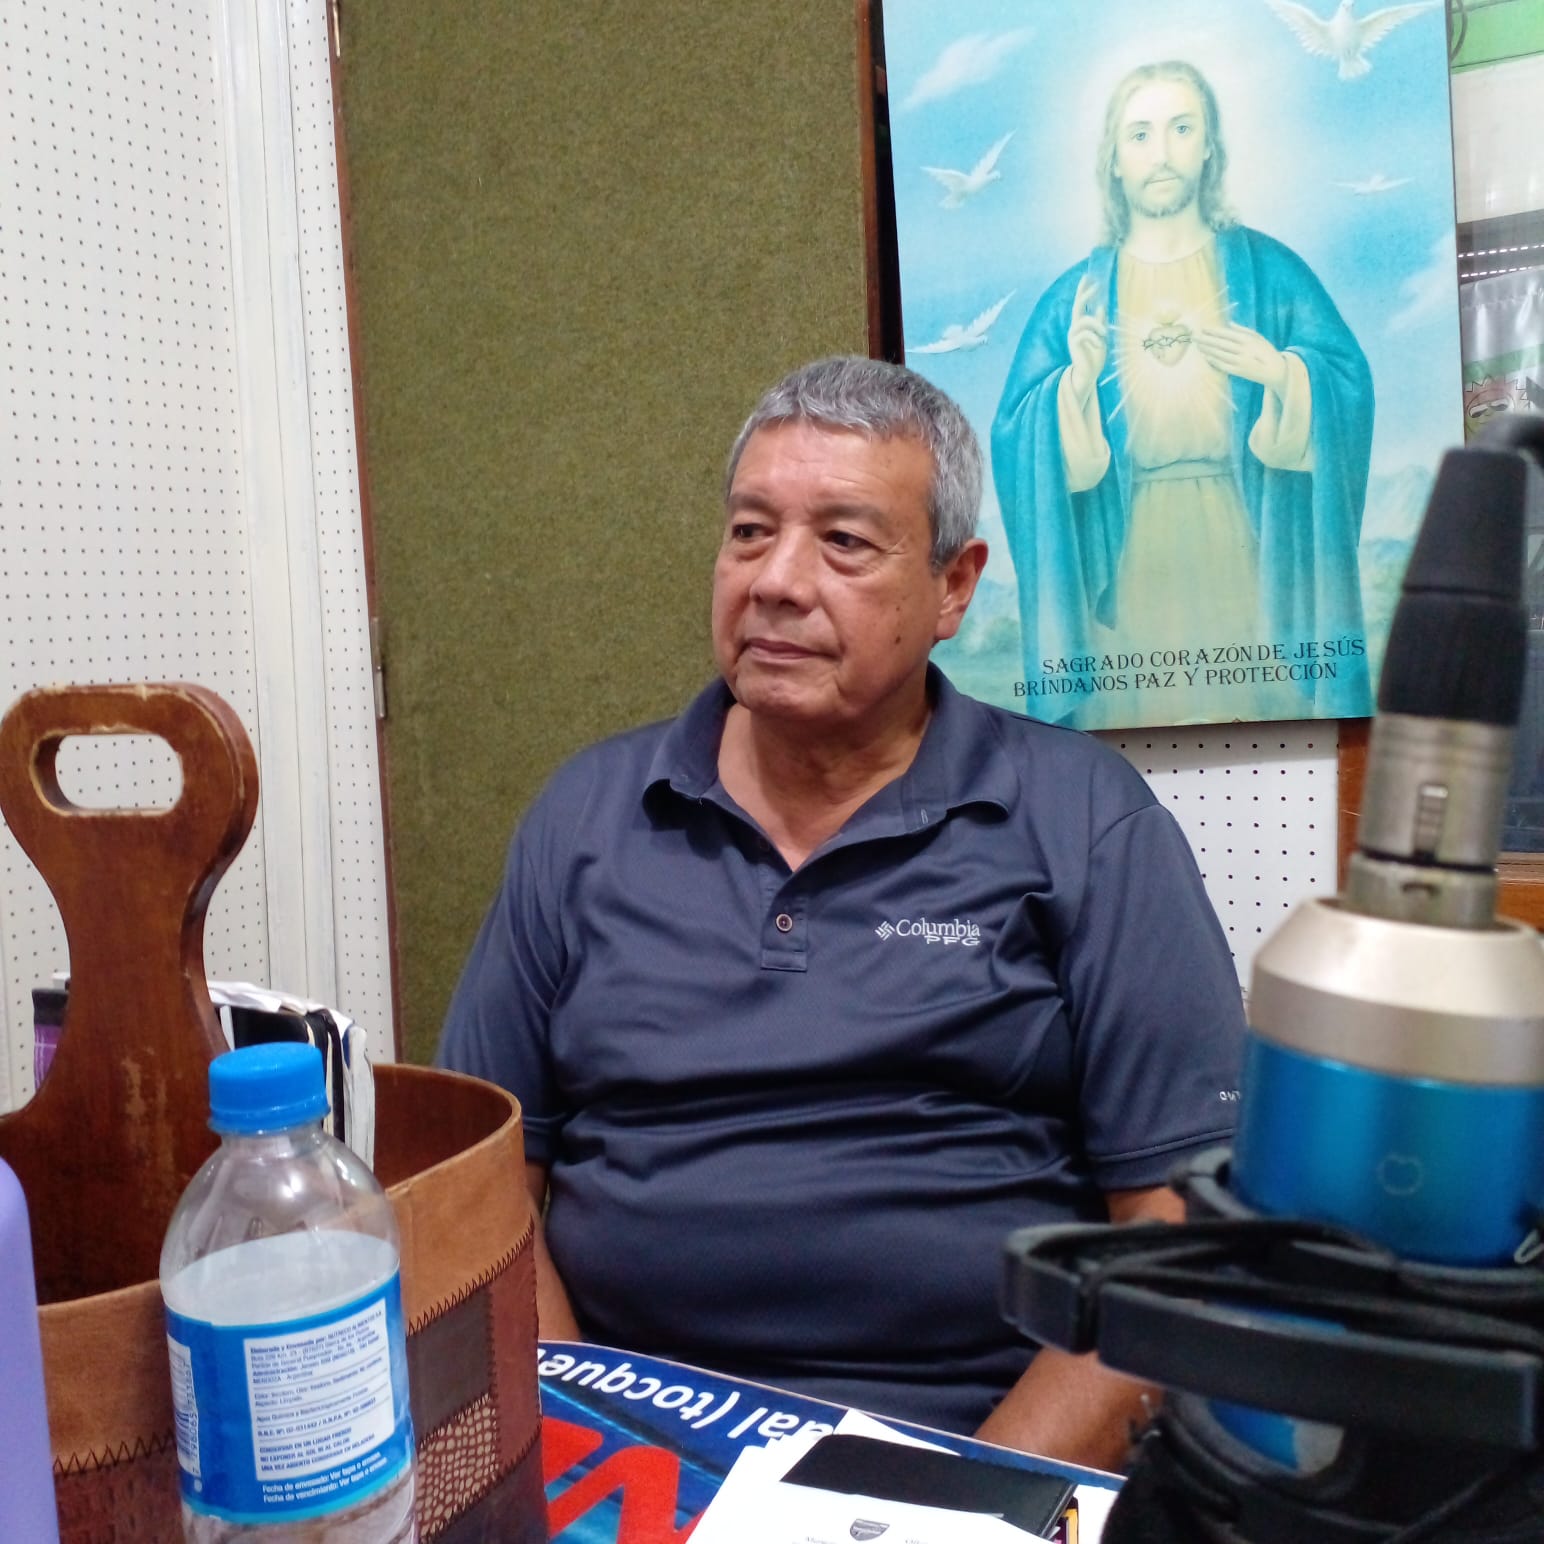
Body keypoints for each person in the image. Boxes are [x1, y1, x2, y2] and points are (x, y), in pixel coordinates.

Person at [437, 356, 1245, 1471]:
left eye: (844, 542)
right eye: (748, 532)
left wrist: (963, 1506)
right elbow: (477, 1192)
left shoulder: (1085, 822)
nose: (775, 580)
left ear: (953, 586)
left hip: (974, 1448)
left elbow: (1177, 1241)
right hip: (636, 1453)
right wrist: (587, 1452)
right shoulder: (584, 818)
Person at [992, 59, 1375, 731]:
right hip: (1128, 564)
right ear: (1114, 160)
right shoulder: (1074, 299)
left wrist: (1284, 374)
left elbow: (1348, 383)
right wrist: (1072, 390)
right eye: (1140, 134)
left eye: (1181, 128)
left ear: (1208, 148)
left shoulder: (1271, 272)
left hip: (1249, 553)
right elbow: (1014, 434)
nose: (1162, 153)